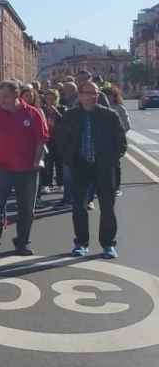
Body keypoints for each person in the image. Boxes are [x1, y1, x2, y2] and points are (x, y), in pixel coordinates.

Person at [57, 82, 126, 259]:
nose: (92, 96)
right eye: (87, 93)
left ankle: (108, 245)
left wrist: (110, 160)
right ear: (79, 95)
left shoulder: (109, 115)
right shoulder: (71, 115)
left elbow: (121, 142)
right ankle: (81, 243)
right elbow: (61, 139)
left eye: (95, 93)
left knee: (107, 208)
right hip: (80, 166)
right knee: (79, 207)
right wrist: (68, 159)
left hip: (103, 167)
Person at [0, 81, 49, 256]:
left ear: (16, 95)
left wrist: (36, 160)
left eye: (6, 96)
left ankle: (22, 242)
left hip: (27, 169)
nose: (2, 100)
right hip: (0, 168)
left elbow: (41, 139)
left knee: (26, 209)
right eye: (0, 96)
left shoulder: (32, 113)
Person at [102, 85, 130, 197]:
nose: (108, 98)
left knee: (115, 165)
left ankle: (116, 187)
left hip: (115, 141)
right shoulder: (98, 108)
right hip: (101, 141)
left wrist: (117, 134)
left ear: (115, 97)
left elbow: (127, 125)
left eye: (110, 96)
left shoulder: (119, 108)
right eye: (106, 96)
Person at [40, 90, 66, 196]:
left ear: (57, 99)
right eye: (48, 99)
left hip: (59, 140)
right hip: (47, 140)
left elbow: (66, 122)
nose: (50, 101)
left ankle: (60, 184)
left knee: (59, 163)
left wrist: (57, 113)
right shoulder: (42, 110)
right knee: (48, 163)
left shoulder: (63, 109)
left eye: (53, 99)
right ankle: (47, 184)